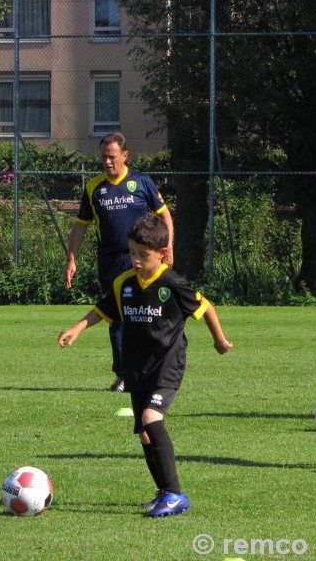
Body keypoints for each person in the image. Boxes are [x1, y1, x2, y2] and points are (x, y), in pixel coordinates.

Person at [58, 214, 232, 517]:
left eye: (143, 255)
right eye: (133, 253)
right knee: (144, 432)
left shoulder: (172, 283)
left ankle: (176, 494)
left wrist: (219, 341)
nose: (136, 260)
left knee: (152, 418)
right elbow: (103, 309)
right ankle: (165, 491)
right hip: (137, 367)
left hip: (167, 364)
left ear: (162, 254)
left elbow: (206, 308)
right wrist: (78, 327)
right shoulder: (124, 283)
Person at [64, 132, 174, 392]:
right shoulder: (93, 187)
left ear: (125, 156)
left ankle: (153, 369)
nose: (108, 162)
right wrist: (71, 259)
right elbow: (81, 226)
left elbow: (165, 215)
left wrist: (167, 248)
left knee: (150, 314)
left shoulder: (141, 182)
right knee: (117, 316)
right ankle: (124, 375)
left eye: (112, 157)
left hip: (145, 259)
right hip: (111, 261)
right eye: (104, 157)